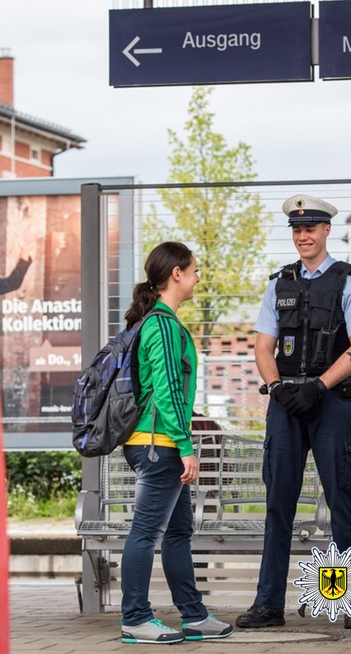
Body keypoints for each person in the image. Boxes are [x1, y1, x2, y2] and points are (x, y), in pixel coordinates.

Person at [236, 195, 351, 631]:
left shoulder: (350, 282)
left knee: (341, 501)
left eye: (311, 228)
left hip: (331, 403)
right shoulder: (278, 283)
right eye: (297, 230)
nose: (303, 236)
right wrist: (278, 388)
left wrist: (318, 386)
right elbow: (263, 346)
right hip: (286, 406)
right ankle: (268, 605)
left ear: (326, 231)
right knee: (278, 504)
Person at [118, 241, 234, 645]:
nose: (199, 277)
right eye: (195, 270)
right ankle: (134, 618)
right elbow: (167, 390)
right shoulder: (163, 325)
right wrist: (186, 446)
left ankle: (194, 616)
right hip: (159, 444)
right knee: (146, 533)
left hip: (159, 440)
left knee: (178, 532)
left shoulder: (158, 321)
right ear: (176, 274)